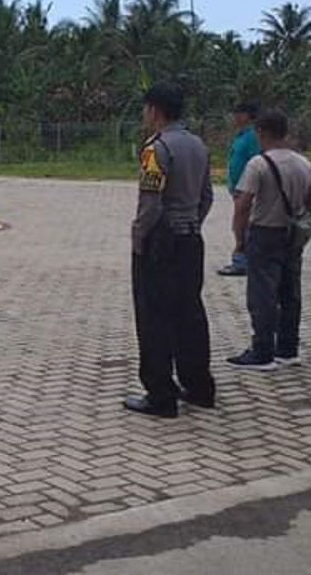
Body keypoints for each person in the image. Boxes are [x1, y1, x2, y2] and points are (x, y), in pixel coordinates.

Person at [124, 83, 216, 418]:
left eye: (146, 109)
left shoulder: (156, 149)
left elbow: (150, 204)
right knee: (189, 314)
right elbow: (207, 196)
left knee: (154, 318)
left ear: (155, 111)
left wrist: (139, 240)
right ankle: (199, 387)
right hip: (192, 241)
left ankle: (160, 394)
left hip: (162, 245)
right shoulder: (198, 145)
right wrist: (192, 222)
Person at [226, 109, 311, 371]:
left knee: (262, 294)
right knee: (290, 291)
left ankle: (262, 351)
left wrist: (240, 239)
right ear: (285, 132)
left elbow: (243, 205)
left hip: (265, 232)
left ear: (262, 133)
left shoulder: (258, 164)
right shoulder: (305, 164)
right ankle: (288, 349)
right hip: (292, 235)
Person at [218, 100, 262, 276]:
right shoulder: (241, 135)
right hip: (237, 189)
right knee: (240, 225)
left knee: (241, 225)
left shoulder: (252, 137)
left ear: (249, 116)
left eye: (239, 113)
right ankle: (243, 259)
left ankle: (243, 261)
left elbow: (256, 162)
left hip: (246, 190)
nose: (235, 117)